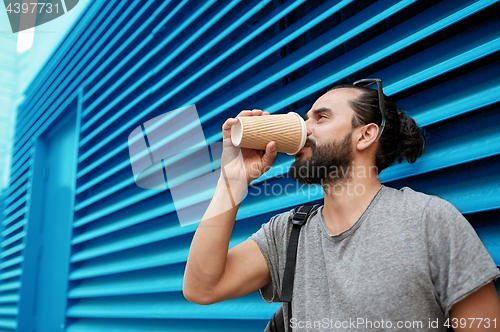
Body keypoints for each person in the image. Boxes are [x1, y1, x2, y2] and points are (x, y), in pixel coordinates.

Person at [183, 81, 500, 331]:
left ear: (365, 135)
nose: (304, 129)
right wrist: (232, 180)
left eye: (320, 117)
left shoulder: (428, 220)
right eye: (306, 119)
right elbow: (202, 288)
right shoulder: (289, 233)